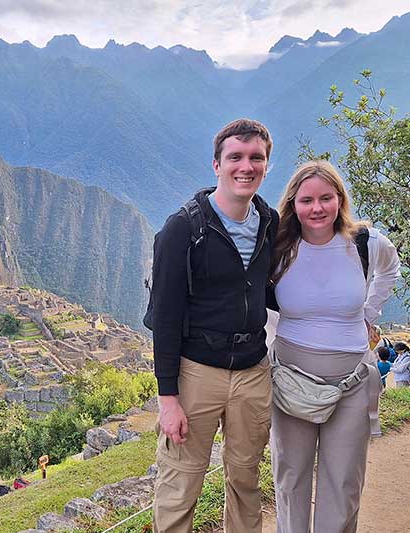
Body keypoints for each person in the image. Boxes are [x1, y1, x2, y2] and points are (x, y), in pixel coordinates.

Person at [149, 118, 278, 533]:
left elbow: (271, 290)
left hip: (253, 370)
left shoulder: (270, 223)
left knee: (245, 477)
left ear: (266, 164)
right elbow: (165, 317)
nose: (246, 166)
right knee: (181, 481)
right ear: (216, 164)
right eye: (235, 157)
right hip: (196, 371)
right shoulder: (183, 229)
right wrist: (168, 399)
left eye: (255, 158)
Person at [269, 160, 400, 532]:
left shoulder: (366, 244)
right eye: (307, 199)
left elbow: (391, 268)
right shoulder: (279, 247)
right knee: (290, 478)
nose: (317, 208)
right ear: (293, 203)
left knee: (343, 482)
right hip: (291, 379)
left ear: (340, 200)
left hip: (352, 381)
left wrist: (368, 312)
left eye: (327, 198)